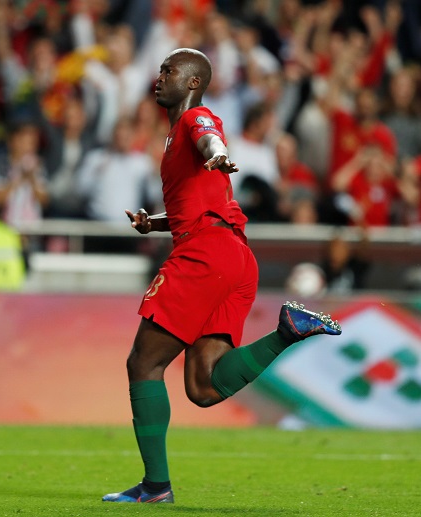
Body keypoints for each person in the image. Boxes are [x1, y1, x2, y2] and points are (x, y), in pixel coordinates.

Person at [102, 48, 342, 504]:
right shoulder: (175, 136)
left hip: (204, 256)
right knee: (204, 386)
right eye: (158, 70)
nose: (159, 77)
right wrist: (155, 222)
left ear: (193, 82)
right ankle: (287, 333)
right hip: (234, 256)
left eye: (168, 71)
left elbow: (211, 139)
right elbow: (197, 204)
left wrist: (218, 154)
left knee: (143, 364)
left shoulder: (195, 121)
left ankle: (155, 488)